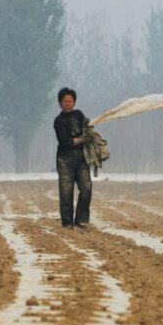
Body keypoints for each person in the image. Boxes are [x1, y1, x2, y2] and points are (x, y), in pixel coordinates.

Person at [53, 87, 92, 228]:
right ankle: (67, 224)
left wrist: (90, 131)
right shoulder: (58, 121)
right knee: (66, 193)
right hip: (64, 161)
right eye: (65, 101)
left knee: (86, 187)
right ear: (60, 103)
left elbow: (86, 128)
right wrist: (82, 139)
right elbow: (66, 142)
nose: (68, 103)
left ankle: (81, 220)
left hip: (82, 159)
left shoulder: (79, 114)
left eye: (70, 101)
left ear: (74, 102)